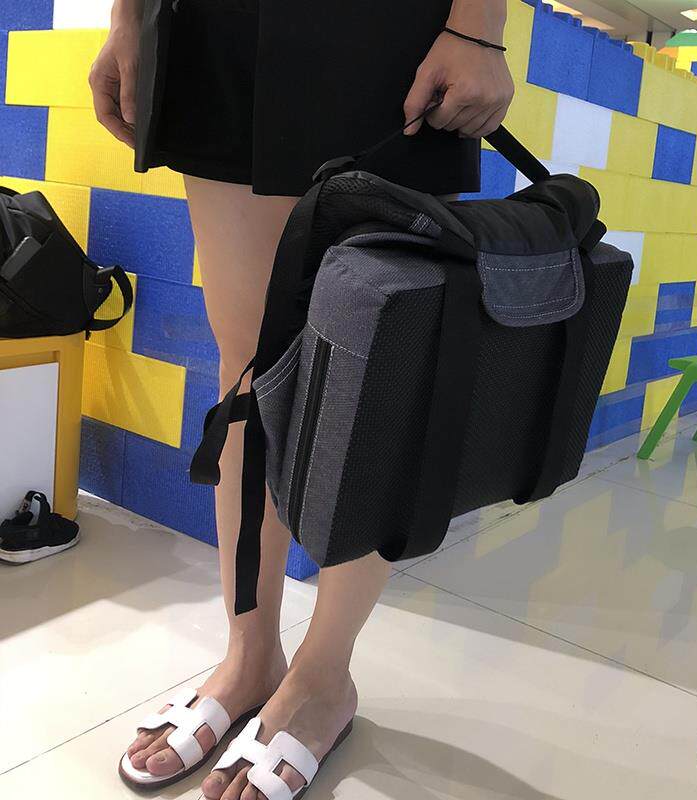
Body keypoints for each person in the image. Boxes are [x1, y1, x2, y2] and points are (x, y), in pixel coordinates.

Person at [90, 1, 513, 797]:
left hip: (383, 32)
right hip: (217, 24)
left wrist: (478, 24)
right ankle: (250, 656)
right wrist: (126, 16)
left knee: (379, 372)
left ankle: (323, 678)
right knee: (245, 370)